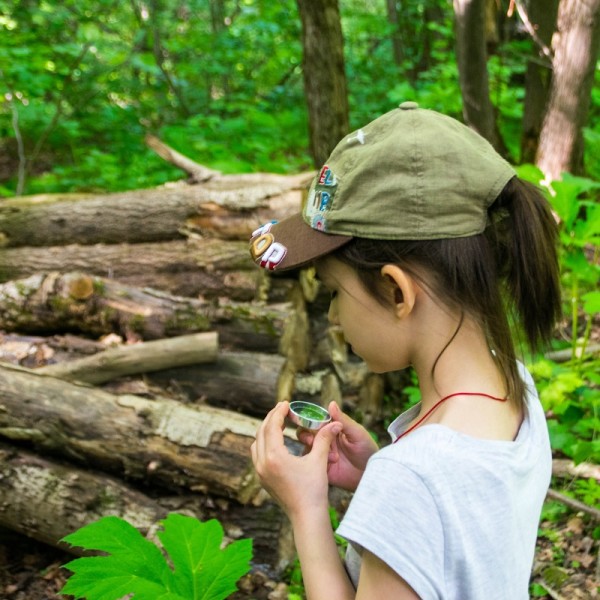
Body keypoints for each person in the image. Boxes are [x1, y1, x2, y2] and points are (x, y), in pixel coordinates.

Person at [248, 102, 560, 599]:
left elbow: (427, 486)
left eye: (334, 290)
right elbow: (468, 523)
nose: (331, 317)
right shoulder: (514, 385)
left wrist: (307, 510)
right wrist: (376, 477)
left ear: (396, 291)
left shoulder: (413, 476)